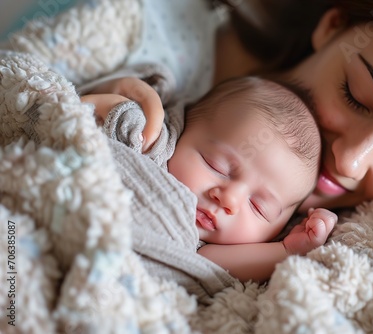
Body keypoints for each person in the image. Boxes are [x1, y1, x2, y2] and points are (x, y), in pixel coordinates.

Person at [85, 0, 373, 216]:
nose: (350, 162)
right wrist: (80, 101)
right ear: (333, 27)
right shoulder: (138, 35)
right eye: (355, 95)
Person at [82, 76, 337, 282]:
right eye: (217, 166)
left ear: (276, 229)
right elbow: (81, 116)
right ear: (183, 128)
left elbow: (208, 264)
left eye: (258, 207)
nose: (229, 198)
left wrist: (287, 250)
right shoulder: (148, 142)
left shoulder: (205, 249)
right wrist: (118, 106)